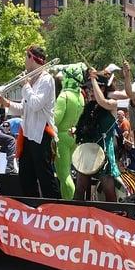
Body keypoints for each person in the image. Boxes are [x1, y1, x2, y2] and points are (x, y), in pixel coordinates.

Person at [0, 45, 60, 198]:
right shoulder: (32, 80)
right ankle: (31, 208)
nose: (24, 61)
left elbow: (36, 104)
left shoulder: (46, 79)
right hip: (27, 134)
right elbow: (25, 108)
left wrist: (25, 85)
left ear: (32, 58)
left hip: (41, 134)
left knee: (45, 177)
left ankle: (55, 208)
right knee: (25, 177)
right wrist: (6, 103)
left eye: (26, 57)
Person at [74, 70, 120, 202]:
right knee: (80, 188)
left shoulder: (112, 104)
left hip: (104, 150)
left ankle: (114, 218)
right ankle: (76, 218)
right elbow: (85, 127)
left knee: (108, 189)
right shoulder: (89, 107)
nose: (89, 91)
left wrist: (94, 80)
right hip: (87, 149)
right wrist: (77, 130)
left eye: (92, 88)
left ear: (103, 88)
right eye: (88, 88)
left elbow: (102, 102)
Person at [53, 62, 86, 199]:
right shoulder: (80, 96)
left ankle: (70, 203)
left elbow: (56, 119)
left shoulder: (64, 95)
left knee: (64, 174)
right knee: (69, 173)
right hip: (73, 136)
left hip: (62, 137)